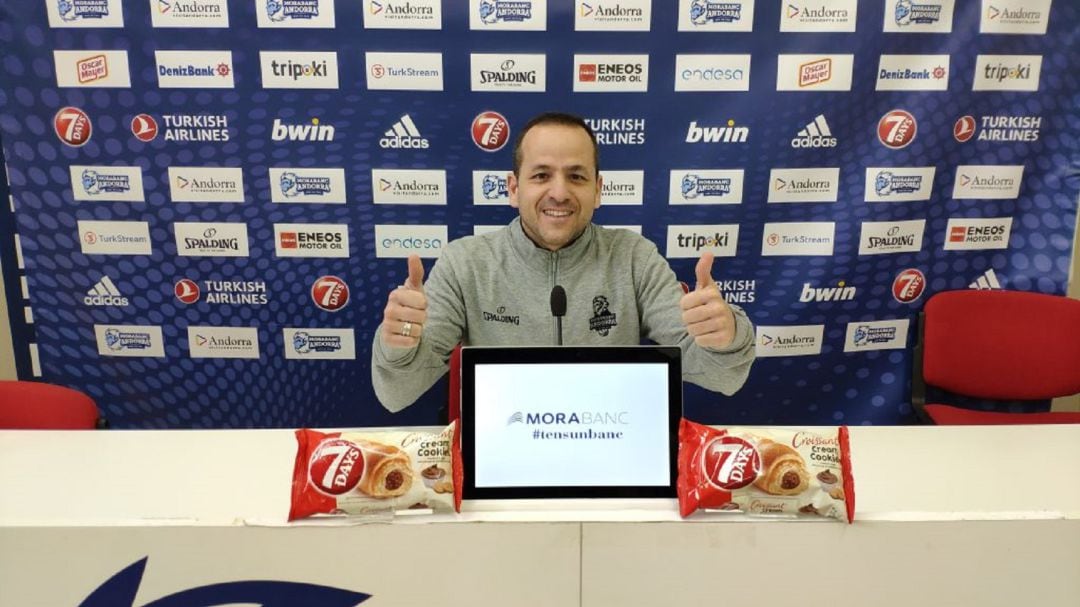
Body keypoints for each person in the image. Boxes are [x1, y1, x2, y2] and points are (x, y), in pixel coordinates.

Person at [372, 112, 755, 412]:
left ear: (598, 190)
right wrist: (397, 347)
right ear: (513, 188)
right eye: (541, 175)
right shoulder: (465, 263)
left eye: (576, 176)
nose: (559, 192)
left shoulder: (633, 256)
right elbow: (397, 393)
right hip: (501, 456)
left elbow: (724, 377)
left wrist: (725, 337)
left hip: (610, 450)